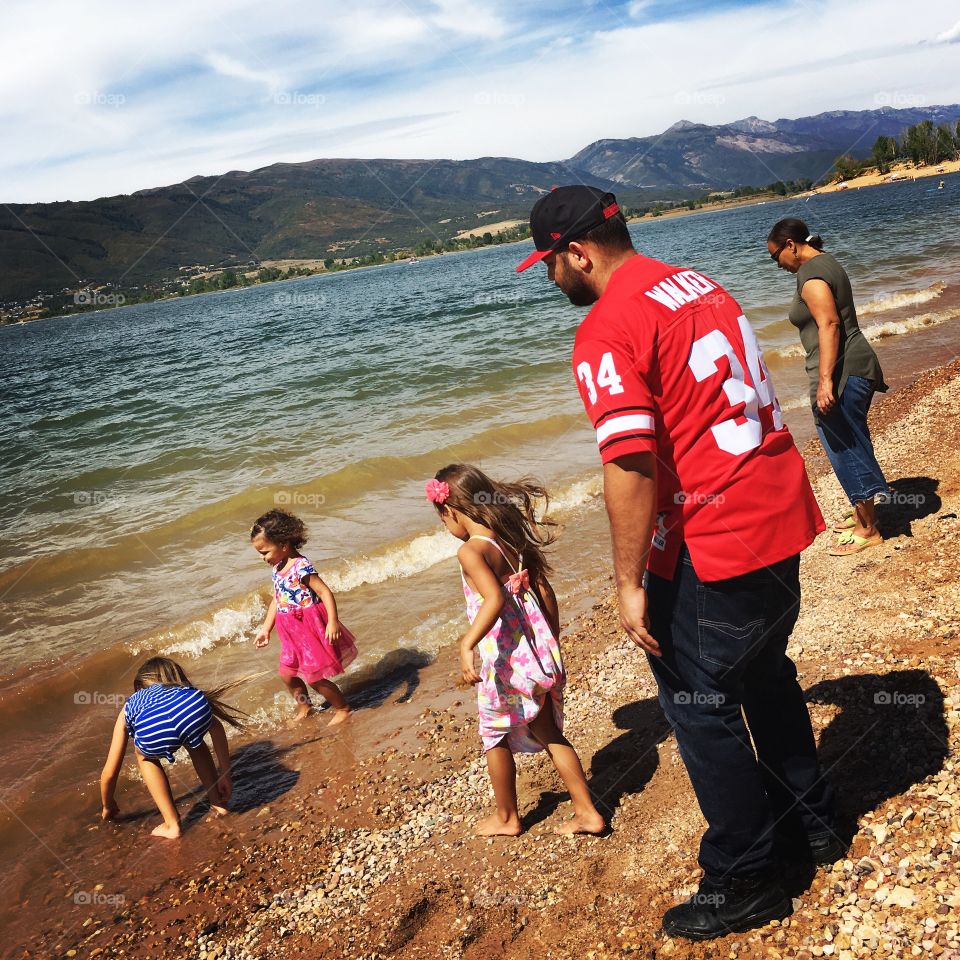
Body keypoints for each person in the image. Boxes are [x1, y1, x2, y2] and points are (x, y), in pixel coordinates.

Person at [517, 186, 842, 940]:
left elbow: (628, 462)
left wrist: (628, 582)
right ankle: (813, 823)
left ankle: (746, 874)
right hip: (778, 509)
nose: (550, 280)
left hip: (716, 539)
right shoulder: (698, 282)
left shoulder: (606, 327)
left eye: (548, 265)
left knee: (699, 707)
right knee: (764, 674)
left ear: (576, 253)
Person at [426, 464, 604, 838]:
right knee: (549, 731)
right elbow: (543, 590)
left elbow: (492, 599)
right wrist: (549, 641)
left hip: (505, 662)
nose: (447, 527)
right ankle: (587, 812)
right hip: (534, 655)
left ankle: (507, 817)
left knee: (494, 734)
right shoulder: (510, 541)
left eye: (443, 519)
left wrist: (466, 643)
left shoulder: (471, 552)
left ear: (453, 511)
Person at [767, 218, 889, 555]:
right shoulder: (827, 261)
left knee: (843, 446)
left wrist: (824, 381)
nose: (778, 266)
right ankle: (862, 514)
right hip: (853, 364)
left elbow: (830, 323)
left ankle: (868, 529)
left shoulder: (810, 273)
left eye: (776, 256)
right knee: (850, 439)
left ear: (791, 245)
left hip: (841, 369)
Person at [99, 656, 244, 839]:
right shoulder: (185, 692)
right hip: (192, 709)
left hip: (155, 727)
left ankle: (172, 824)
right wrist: (225, 774)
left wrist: (108, 804)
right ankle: (218, 804)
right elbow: (217, 729)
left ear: (140, 687)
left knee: (144, 756)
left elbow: (109, 773)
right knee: (195, 742)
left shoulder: (131, 704)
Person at [251, 508, 356, 725]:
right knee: (287, 674)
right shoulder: (277, 567)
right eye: (260, 553)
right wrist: (265, 629)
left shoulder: (301, 567)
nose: (263, 558)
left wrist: (333, 622)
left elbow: (324, 592)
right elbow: (277, 599)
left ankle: (343, 708)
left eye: (265, 552)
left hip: (308, 627)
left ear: (283, 544)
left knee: (314, 676)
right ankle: (305, 704)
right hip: (289, 631)